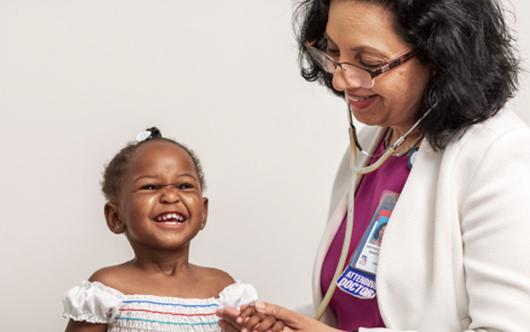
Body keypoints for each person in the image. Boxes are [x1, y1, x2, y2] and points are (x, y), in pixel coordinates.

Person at [216, 0, 530, 331]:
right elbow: (356, 311)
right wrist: (284, 325)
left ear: (441, 57)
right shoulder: (369, 145)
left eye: (368, 62)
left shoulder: (499, 155)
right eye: (333, 52)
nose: (340, 80)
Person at [62, 128, 284, 332]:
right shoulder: (107, 290)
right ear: (116, 217)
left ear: (203, 212)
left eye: (184, 186)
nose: (171, 196)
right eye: (150, 187)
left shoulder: (225, 291)